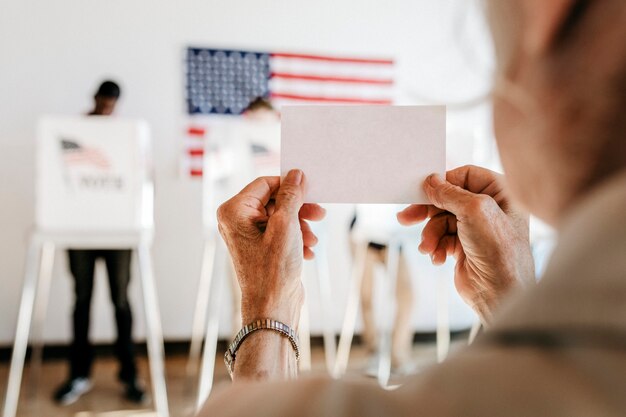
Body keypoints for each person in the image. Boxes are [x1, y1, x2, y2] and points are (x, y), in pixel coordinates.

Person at [200, 0, 626, 415]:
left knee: (400, 294)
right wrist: (510, 293)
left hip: (391, 238)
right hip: (368, 236)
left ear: (542, 9)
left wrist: (266, 309)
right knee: (372, 296)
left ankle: (395, 351)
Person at [54, 80, 146, 405]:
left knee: (121, 302)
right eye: (104, 102)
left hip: (117, 230)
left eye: (112, 104)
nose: (107, 108)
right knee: (81, 301)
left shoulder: (123, 136)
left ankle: (129, 374)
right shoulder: (74, 133)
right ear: (95, 99)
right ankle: (79, 373)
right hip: (80, 230)